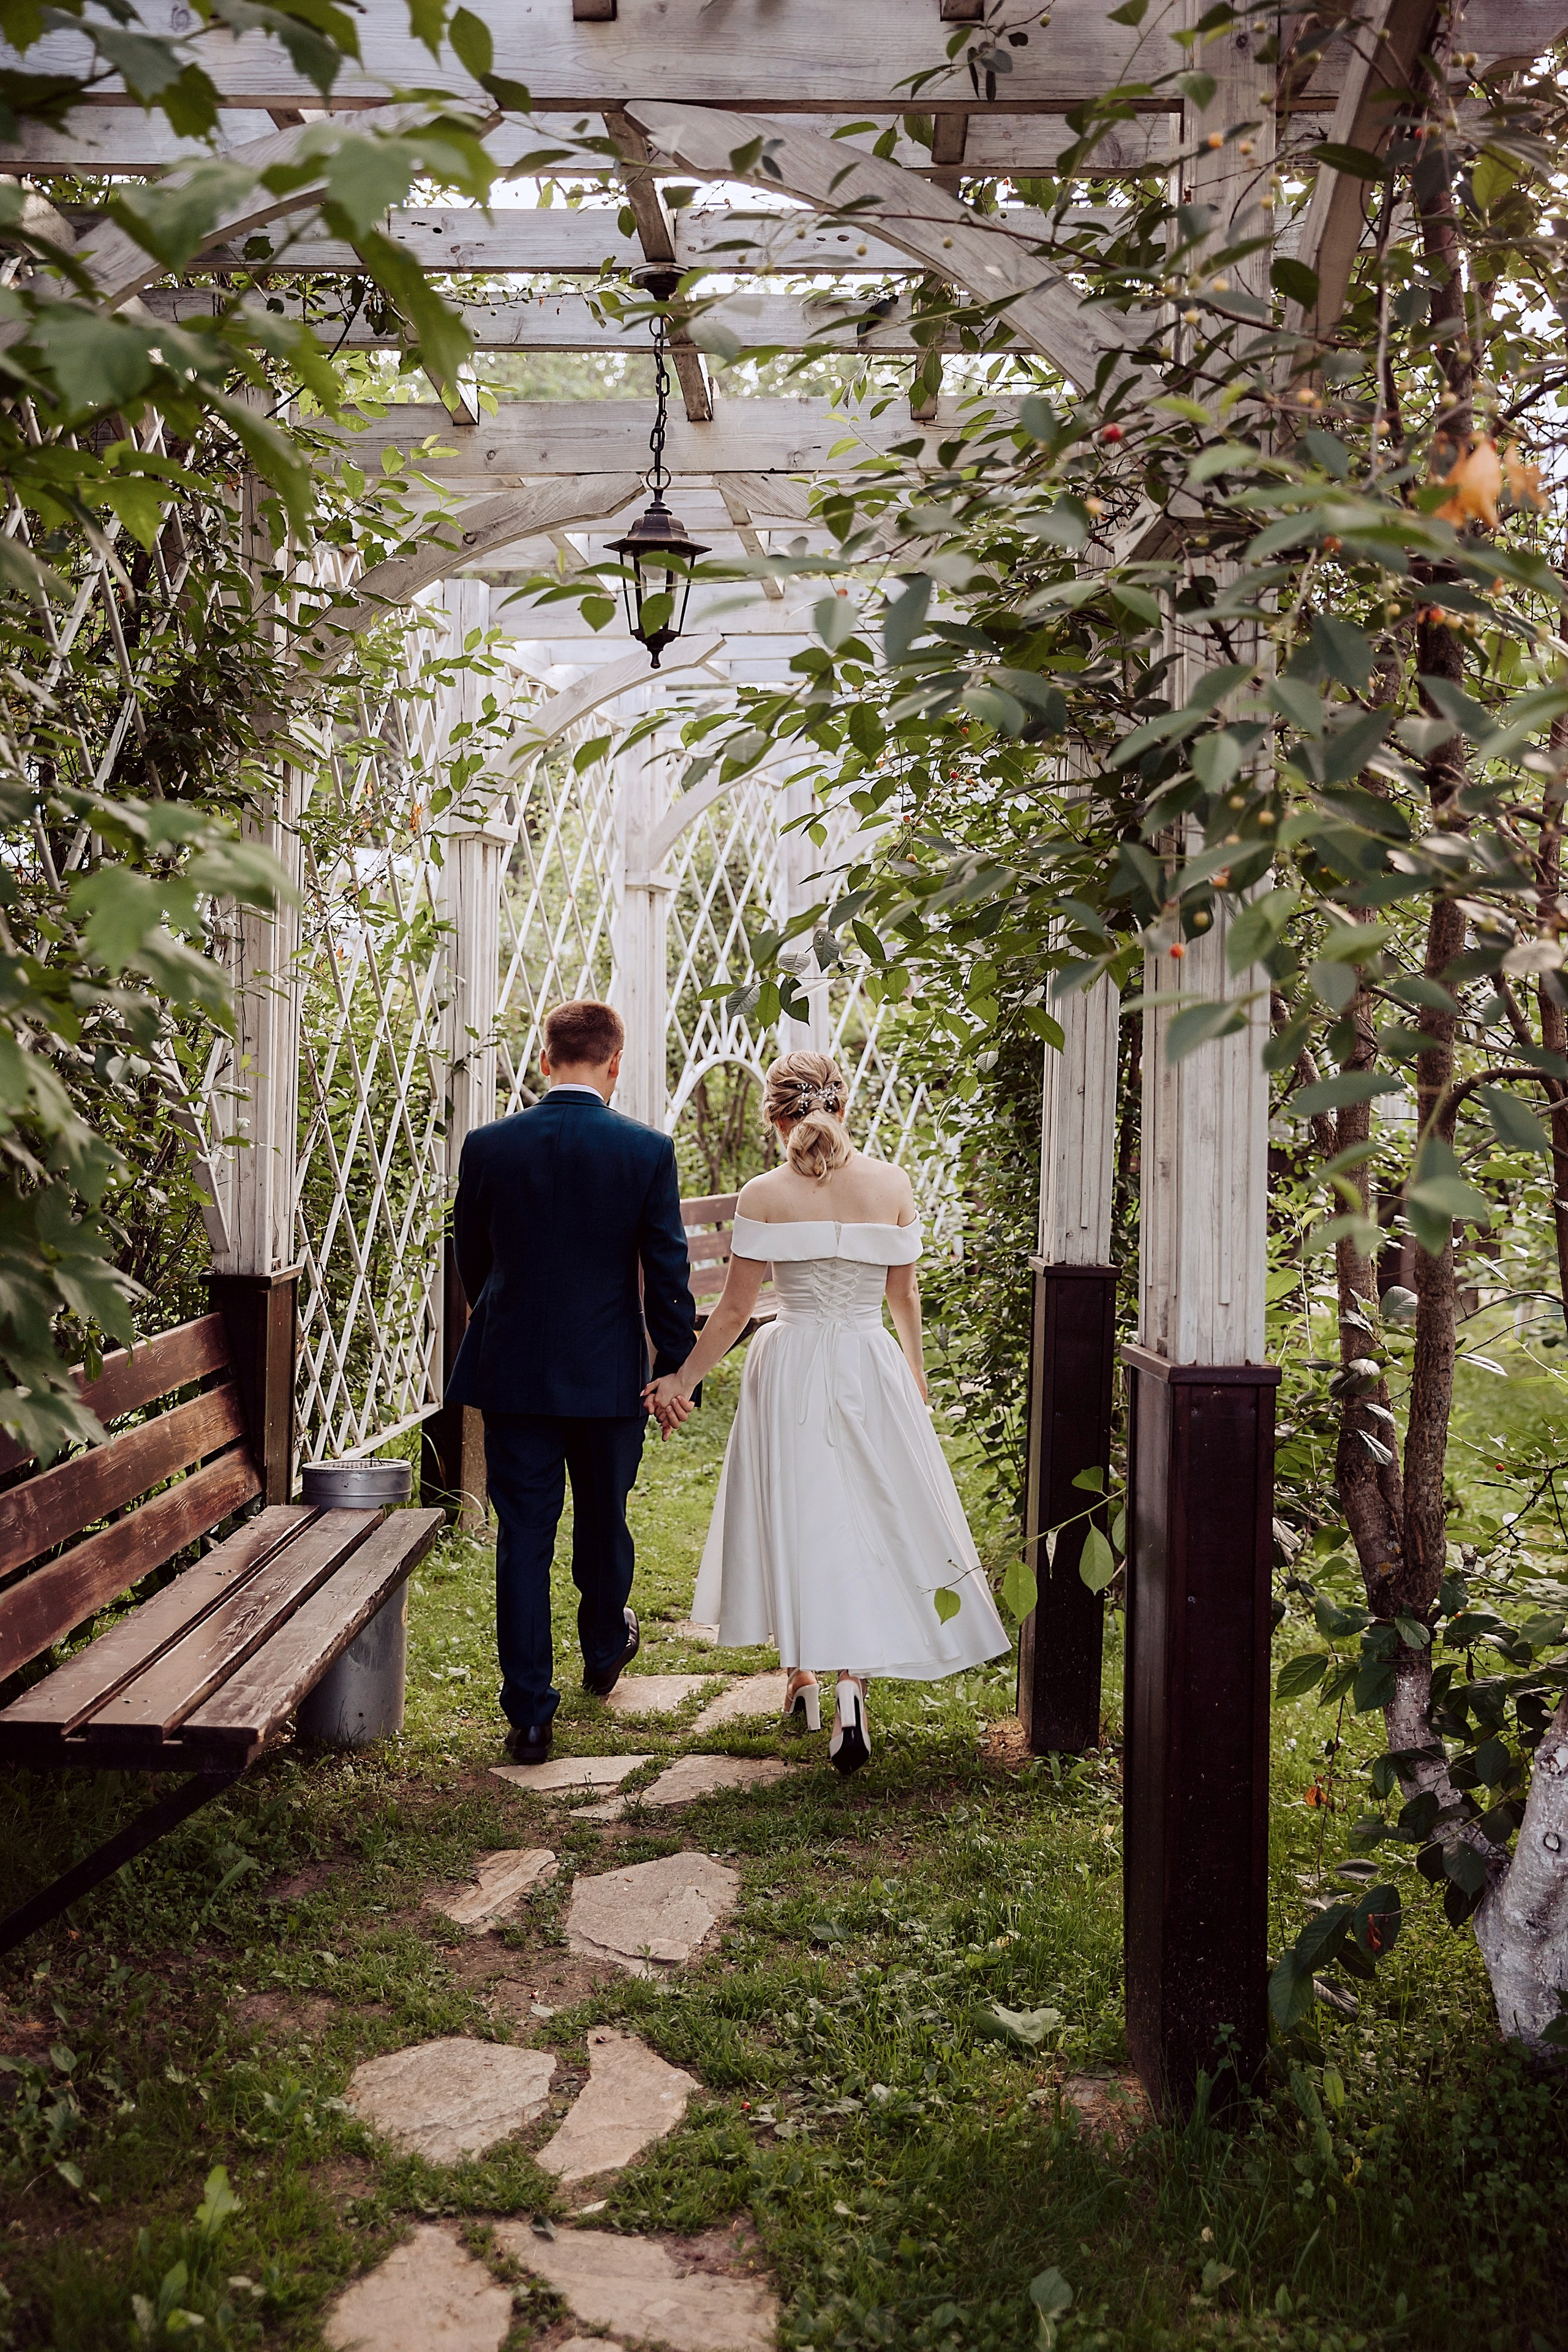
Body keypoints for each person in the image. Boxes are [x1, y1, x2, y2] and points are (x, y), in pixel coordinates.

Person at [644, 1049, 1007, 1775]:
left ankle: (804, 1674)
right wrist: (915, 1375)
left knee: (802, 1514)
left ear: (776, 1118)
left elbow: (735, 1311)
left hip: (791, 1364)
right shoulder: (892, 1183)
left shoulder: (763, 1193)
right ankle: (849, 1687)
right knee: (866, 1514)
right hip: (869, 1361)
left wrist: (680, 1379)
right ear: (844, 1104)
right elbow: (903, 1296)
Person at [447, 998, 696, 1764]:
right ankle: (603, 1646)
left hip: (514, 1371)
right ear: (615, 1062)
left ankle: (529, 1715)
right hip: (607, 1374)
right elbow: (667, 1269)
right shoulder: (646, 1150)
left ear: (544, 1058)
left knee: (523, 1538)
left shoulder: (488, 1145)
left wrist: (506, 1317)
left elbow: (471, 1256)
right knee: (604, 1517)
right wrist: (673, 1365)